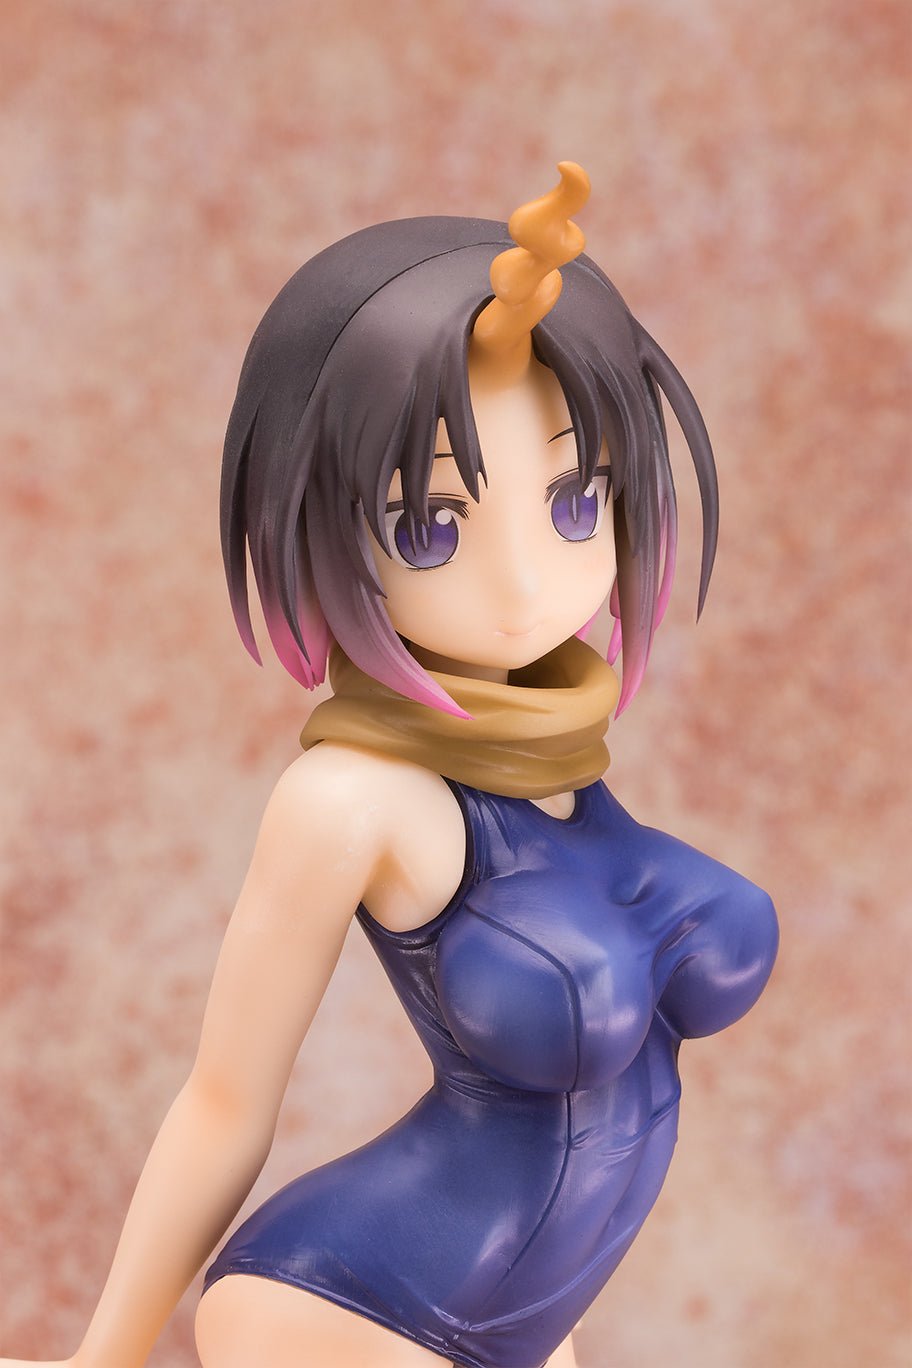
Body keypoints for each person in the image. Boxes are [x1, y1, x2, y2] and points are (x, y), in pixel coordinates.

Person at [2, 164, 777, 1368]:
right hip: (346, 1305)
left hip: (528, 1324)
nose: (524, 584)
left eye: (575, 499)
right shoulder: (353, 799)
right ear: (320, 521)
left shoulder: (551, 758)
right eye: (432, 527)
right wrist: (103, 1358)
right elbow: (225, 1100)